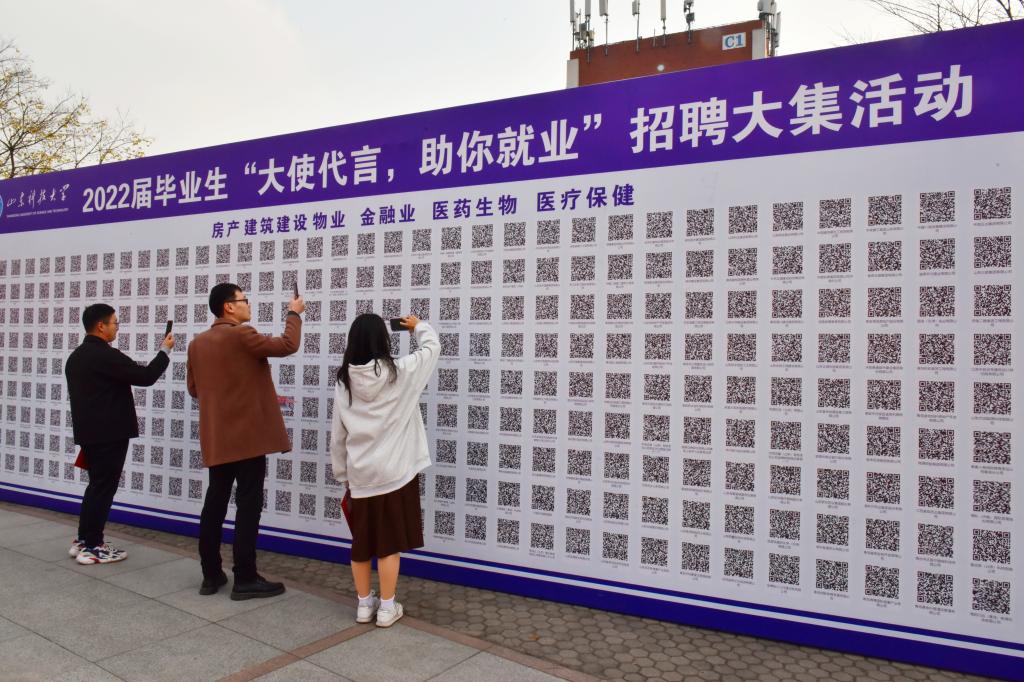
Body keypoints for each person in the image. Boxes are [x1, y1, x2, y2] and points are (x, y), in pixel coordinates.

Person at [186, 282, 303, 600]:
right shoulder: (242, 334)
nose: (248, 305)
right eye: (244, 300)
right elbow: (288, 344)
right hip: (248, 439)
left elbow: (194, 389)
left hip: (218, 439)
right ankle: (245, 577)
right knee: (248, 506)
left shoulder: (197, 344)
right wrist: (294, 313)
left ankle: (211, 575)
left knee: (214, 504)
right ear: (228, 306)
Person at [330, 313, 439, 627]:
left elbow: (338, 435)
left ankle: (364, 605)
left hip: (361, 474)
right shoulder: (400, 372)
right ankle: (388, 608)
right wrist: (417, 326)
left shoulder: (344, 382)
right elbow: (432, 348)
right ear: (384, 340)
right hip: (395, 473)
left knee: (361, 543)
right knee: (389, 544)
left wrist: (343, 475)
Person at [65, 303, 174, 564]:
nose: (117, 328)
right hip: (109, 435)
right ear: (100, 326)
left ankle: (84, 539)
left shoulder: (76, 356)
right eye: (115, 323)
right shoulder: (105, 355)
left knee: (96, 487)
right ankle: (93, 546)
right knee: (103, 489)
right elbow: (146, 376)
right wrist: (165, 350)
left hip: (90, 434)